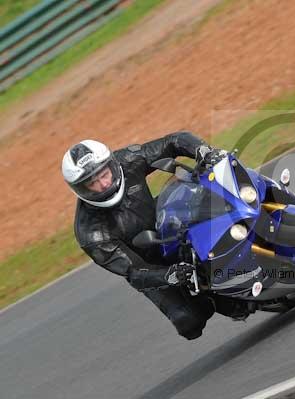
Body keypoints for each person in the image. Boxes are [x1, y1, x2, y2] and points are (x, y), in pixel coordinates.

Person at [61, 132, 245, 340]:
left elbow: (174, 141)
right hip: (150, 265)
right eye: (92, 182)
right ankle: (213, 298)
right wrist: (169, 275)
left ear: (111, 165)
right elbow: (134, 272)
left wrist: (204, 152)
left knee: (204, 196)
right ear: (81, 190)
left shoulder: (127, 160)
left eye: (103, 174)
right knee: (189, 323)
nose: (103, 184)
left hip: (166, 222)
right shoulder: (91, 233)